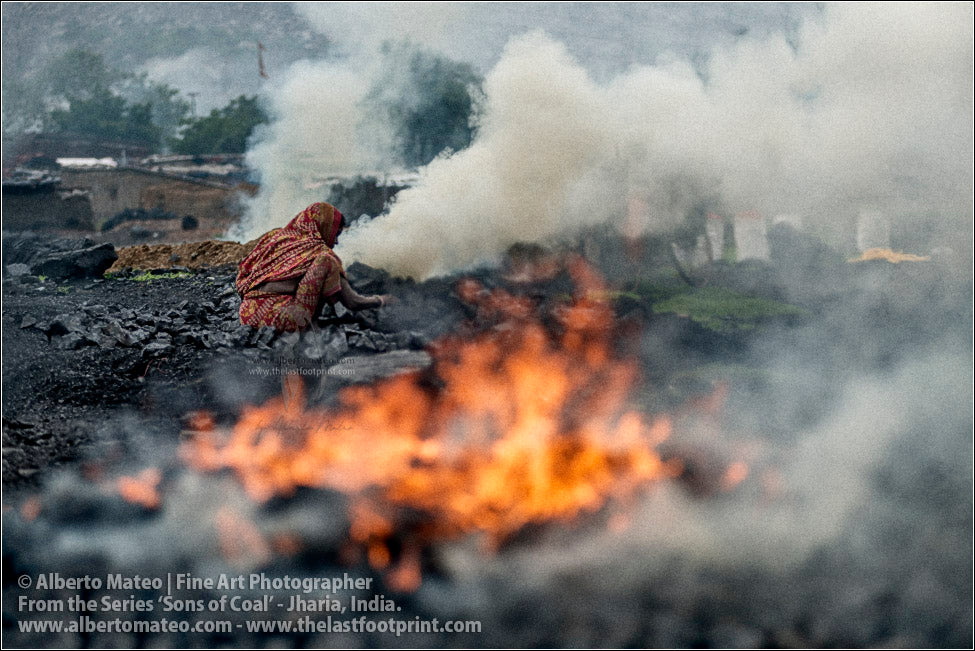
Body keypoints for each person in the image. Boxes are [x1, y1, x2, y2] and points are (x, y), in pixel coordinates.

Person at [236, 202, 387, 332]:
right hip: (278, 319)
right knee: (326, 262)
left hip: (247, 314)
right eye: (336, 235)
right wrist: (381, 300)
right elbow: (352, 302)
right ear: (325, 228)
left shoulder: (275, 238)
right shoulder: (319, 251)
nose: (336, 242)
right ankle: (310, 329)